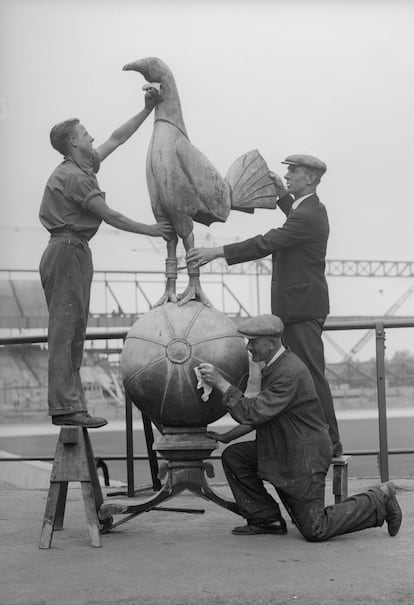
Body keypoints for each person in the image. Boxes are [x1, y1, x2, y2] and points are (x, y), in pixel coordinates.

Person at [187, 154, 342, 456]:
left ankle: (331, 444)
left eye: (293, 172)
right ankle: (316, 441)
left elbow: (267, 241)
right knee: (296, 375)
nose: (287, 176)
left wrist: (217, 251)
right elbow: (293, 218)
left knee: (310, 376)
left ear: (310, 178)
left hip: (301, 311)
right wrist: (283, 196)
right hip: (297, 308)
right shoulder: (306, 210)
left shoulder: (309, 216)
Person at [197, 314, 402, 541]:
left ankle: (381, 498)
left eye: (253, 341)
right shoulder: (277, 365)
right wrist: (228, 437)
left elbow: (254, 411)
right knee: (235, 457)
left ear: (272, 342)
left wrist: (221, 384)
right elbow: (266, 414)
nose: (248, 347)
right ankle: (266, 519)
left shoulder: (288, 372)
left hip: (304, 457)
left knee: (316, 529)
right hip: (285, 448)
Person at [39, 88, 174, 429]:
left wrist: (146, 110)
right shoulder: (73, 177)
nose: (92, 136)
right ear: (72, 142)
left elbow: (117, 138)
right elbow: (110, 216)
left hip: (75, 250)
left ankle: (71, 405)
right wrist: (152, 230)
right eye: (85, 133)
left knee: (74, 330)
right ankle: (65, 408)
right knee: (65, 331)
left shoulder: (82, 165)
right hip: (67, 251)